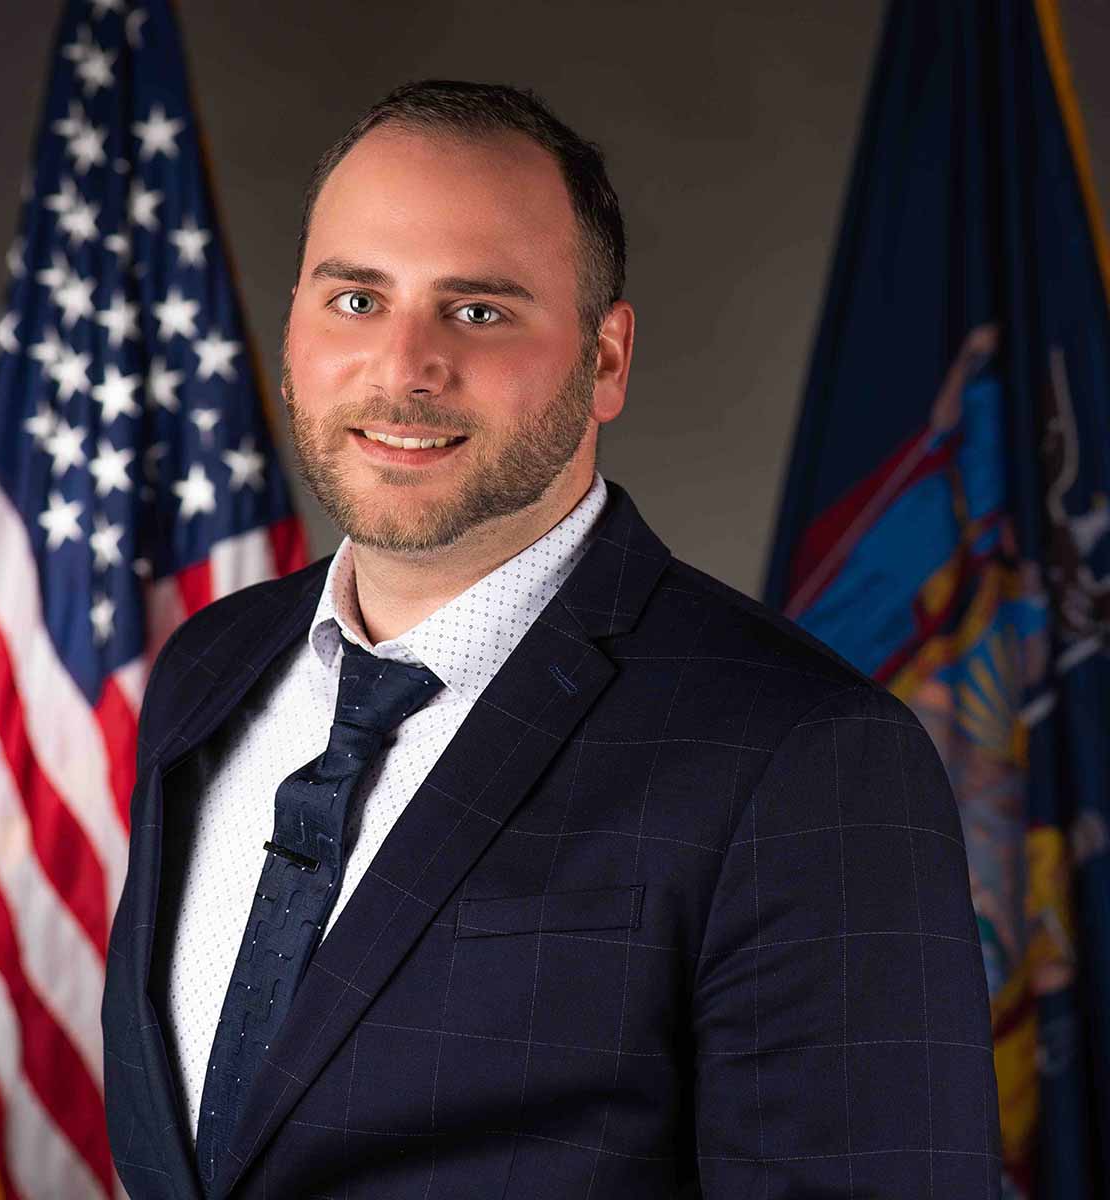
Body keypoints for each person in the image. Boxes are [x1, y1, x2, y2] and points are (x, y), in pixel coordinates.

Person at [102, 79, 1001, 1199]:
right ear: (293, 321)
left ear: (606, 360)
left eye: (479, 311)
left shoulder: (804, 757)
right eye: (356, 300)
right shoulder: (210, 669)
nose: (406, 367)